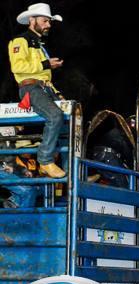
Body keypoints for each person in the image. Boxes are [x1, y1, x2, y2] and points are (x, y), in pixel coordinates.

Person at [8, 3, 66, 178]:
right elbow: (18, 67)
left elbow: (42, 76)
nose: (48, 25)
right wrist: (47, 64)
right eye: (45, 21)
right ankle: (45, 160)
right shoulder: (21, 40)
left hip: (43, 88)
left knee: (68, 125)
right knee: (55, 116)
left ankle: (70, 169)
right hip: (29, 87)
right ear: (32, 20)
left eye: (49, 22)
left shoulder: (38, 44)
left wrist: (58, 93)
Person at [0, 137, 40, 208]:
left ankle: (13, 202)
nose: (29, 151)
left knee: (32, 188)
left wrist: (24, 171)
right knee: (29, 191)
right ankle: (23, 214)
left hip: (6, 170)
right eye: (27, 149)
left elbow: (13, 165)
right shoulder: (15, 157)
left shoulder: (31, 161)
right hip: (3, 171)